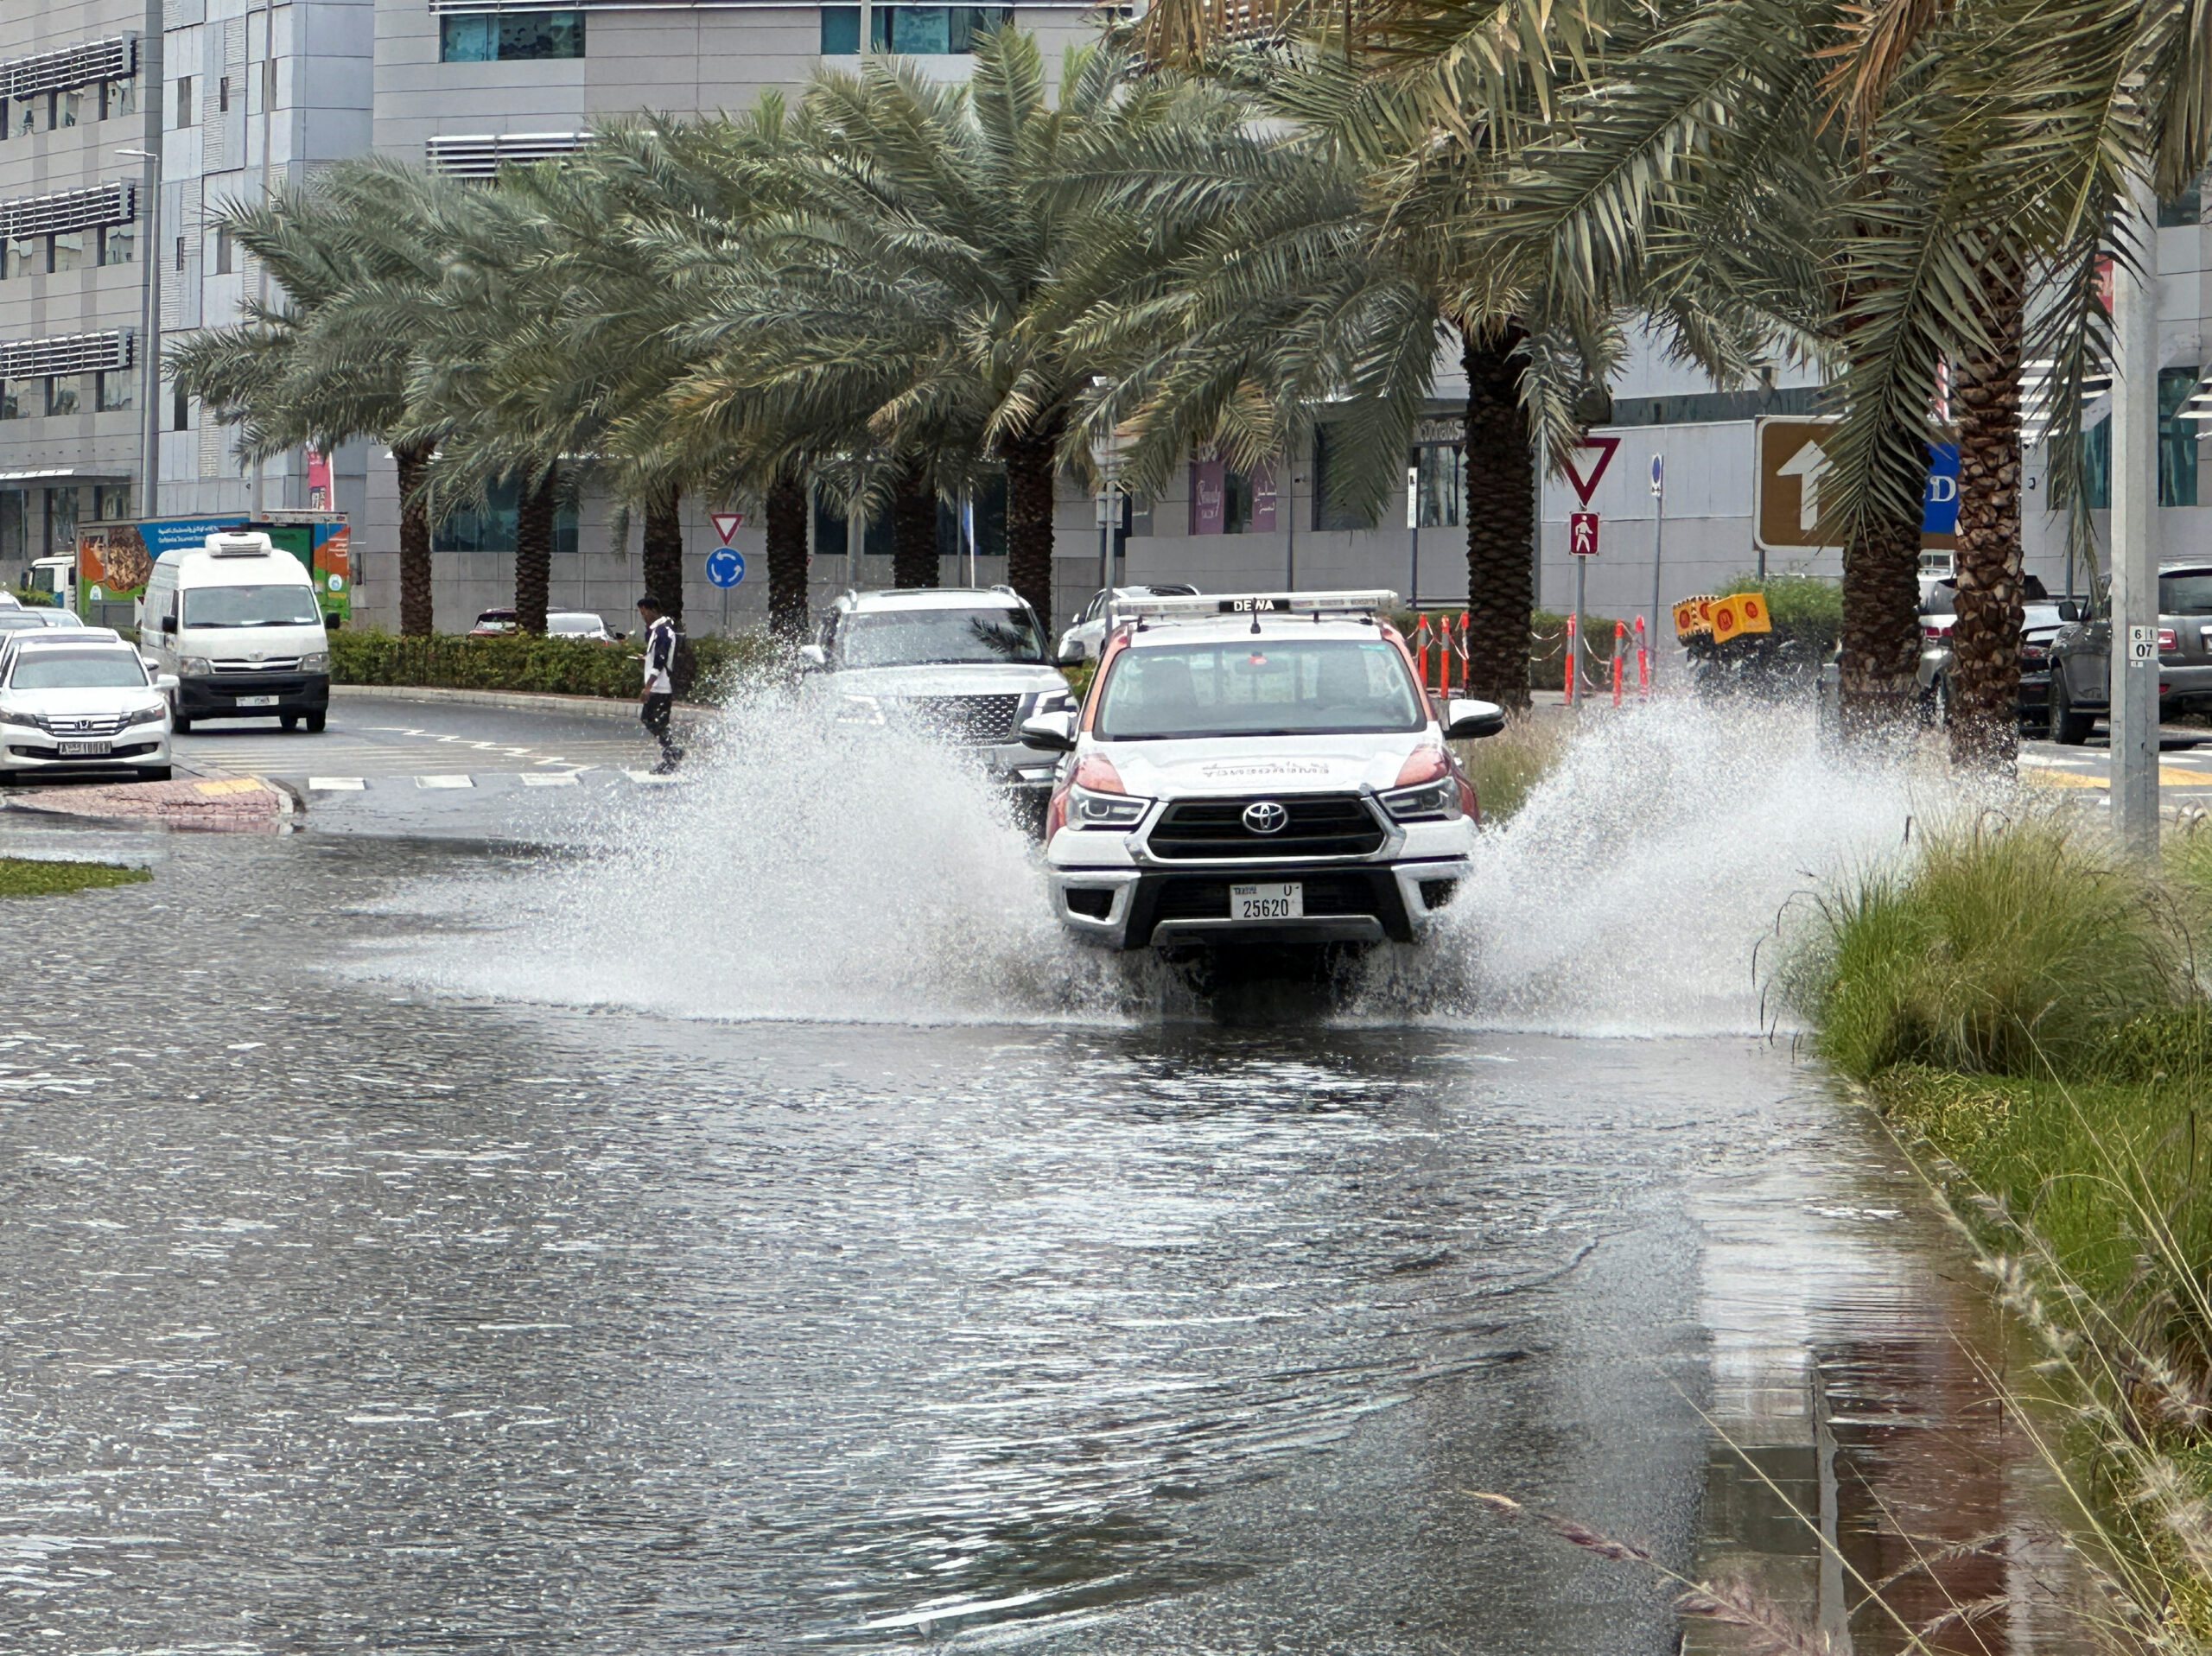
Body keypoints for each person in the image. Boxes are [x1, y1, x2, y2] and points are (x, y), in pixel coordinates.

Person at [637, 593, 683, 773]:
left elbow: (661, 660)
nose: (644, 617)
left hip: (661, 687)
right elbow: (656, 657)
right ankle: (671, 756)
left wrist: (647, 687)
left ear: (652, 610)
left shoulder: (663, 631)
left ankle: (672, 753)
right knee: (660, 722)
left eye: (644, 613)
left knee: (650, 719)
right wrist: (645, 658)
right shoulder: (659, 630)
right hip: (660, 686)